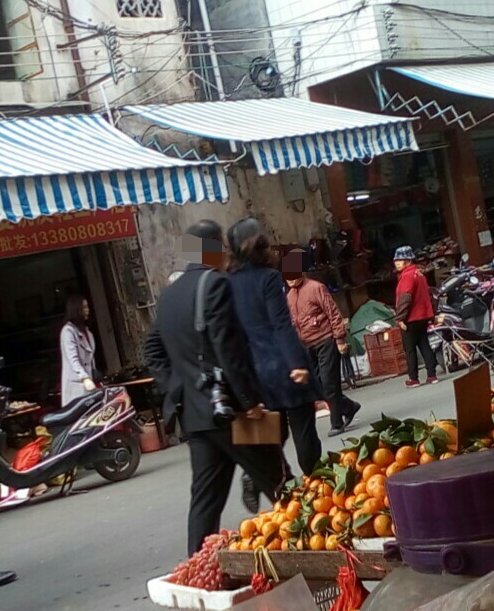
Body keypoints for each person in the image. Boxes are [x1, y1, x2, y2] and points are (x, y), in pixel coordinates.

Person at [144, 221, 286, 556]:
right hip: (233, 412)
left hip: (196, 417)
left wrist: (179, 387)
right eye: (221, 245)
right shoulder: (216, 283)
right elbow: (228, 349)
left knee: (206, 501)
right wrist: (249, 401)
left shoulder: (169, 295)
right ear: (210, 247)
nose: (224, 252)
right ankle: (319, 553)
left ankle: (196, 567)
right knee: (281, 482)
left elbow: (152, 349)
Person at [227, 219, 323, 478]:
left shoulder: (226, 283)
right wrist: (296, 363)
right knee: (303, 429)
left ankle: (264, 478)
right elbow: (281, 324)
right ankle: (315, 481)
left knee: (269, 435)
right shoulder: (268, 278)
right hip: (282, 366)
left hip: (253, 371)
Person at [283, 250, 361, 437]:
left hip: (325, 339)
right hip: (306, 345)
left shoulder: (316, 288)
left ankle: (337, 423)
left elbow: (333, 312)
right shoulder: (289, 296)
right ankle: (349, 407)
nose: (291, 279)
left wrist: (340, 339)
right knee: (315, 386)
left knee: (329, 383)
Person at [393, 246, 439, 388]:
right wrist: (432, 314)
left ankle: (413, 379)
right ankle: (432, 375)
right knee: (424, 345)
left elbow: (405, 298)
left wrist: (400, 318)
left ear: (407, 261)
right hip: (423, 317)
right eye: (396, 260)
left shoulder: (407, 276)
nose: (396, 263)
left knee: (410, 349)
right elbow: (429, 295)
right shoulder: (419, 274)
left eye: (399, 260)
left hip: (410, 318)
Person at [59, 294, 97, 407]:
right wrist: (85, 378)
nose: (87, 310)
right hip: (76, 385)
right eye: (84, 307)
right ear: (76, 310)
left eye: (87, 307)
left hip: (89, 383)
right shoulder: (68, 332)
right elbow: (73, 359)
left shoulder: (87, 332)